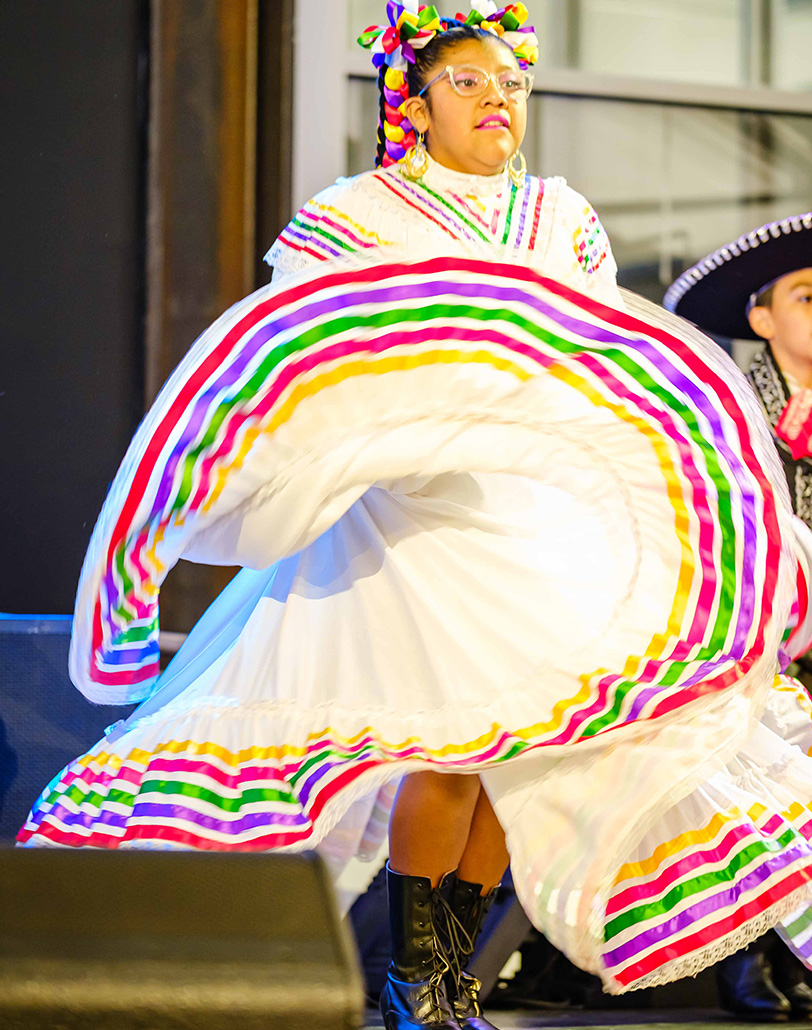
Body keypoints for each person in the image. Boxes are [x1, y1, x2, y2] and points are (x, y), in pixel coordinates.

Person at [17, 6, 812, 1030]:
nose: (496, 101)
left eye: (510, 84)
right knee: (443, 754)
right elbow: (294, 359)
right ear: (418, 97)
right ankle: (405, 983)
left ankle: (447, 985)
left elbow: (604, 366)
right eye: (470, 82)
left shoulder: (558, 216)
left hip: (533, 516)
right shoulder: (355, 214)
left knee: (519, 761)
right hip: (410, 520)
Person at [666, 214, 812, 1023]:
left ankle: (799, 957)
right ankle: (749, 955)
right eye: (806, 295)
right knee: (762, 769)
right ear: (761, 318)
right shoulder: (728, 407)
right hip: (747, 634)